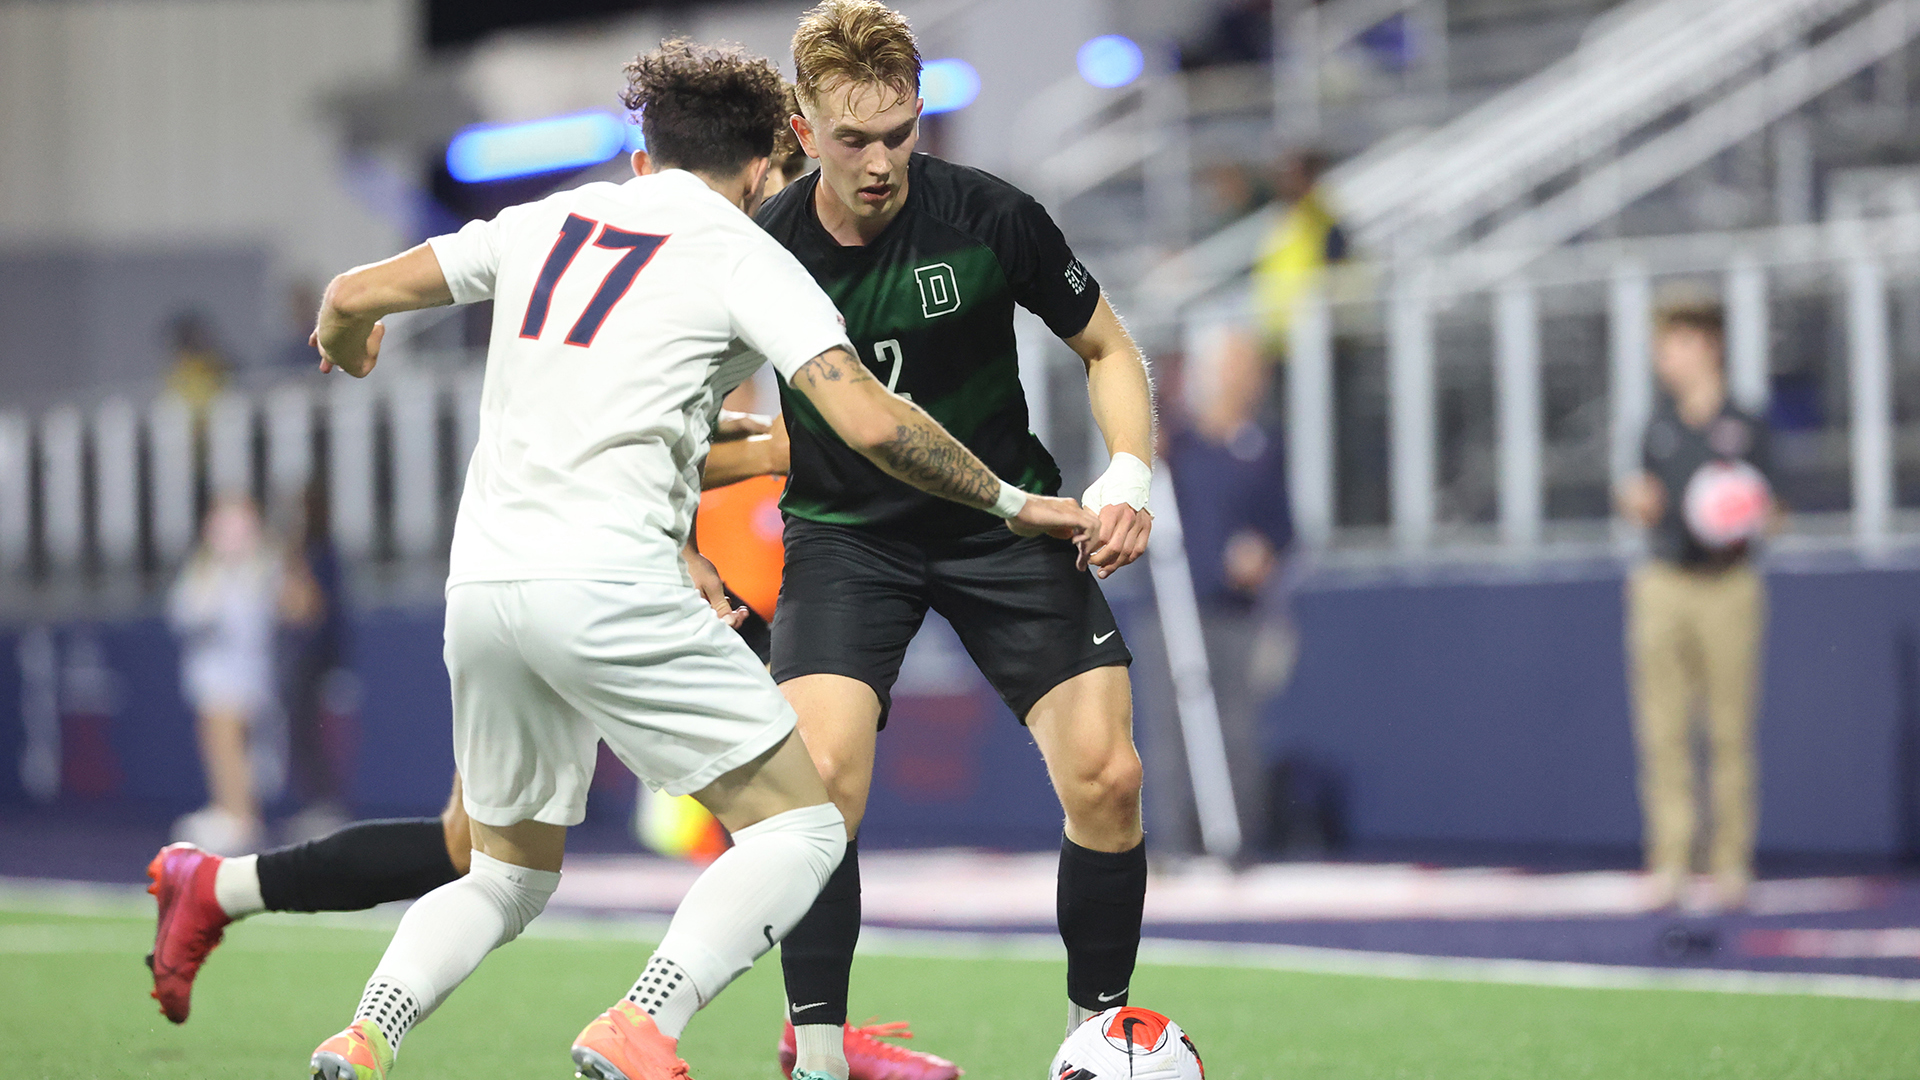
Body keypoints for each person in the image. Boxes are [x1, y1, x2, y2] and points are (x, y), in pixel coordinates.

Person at [288, 40, 1092, 1080]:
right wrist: (1010, 499)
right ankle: (645, 1020)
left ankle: (367, 1032)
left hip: (484, 588)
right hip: (611, 583)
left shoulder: (548, 222)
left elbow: (354, 292)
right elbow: (869, 421)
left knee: (506, 875)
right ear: (770, 164)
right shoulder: (748, 252)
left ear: (642, 158)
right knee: (804, 830)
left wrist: (350, 342)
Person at [755, 4, 1157, 1078]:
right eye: (853, 140)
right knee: (824, 776)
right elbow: (688, 415)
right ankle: (825, 1055)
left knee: (1109, 777)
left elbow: (1108, 349)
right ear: (801, 129)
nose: (881, 161)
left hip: (1003, 521)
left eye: (901, 133)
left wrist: (1127, 473)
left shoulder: (990, 217)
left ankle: (1098, 1041)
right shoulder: (758, 250)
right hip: (846, 536)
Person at [1615, 298, 1775, 913]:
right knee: (1663, 730)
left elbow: (1777, 505)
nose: (1663, 360)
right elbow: (1641, 492)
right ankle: (1672, 860)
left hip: (1728, 584)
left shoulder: (1747, 423)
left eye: (1673, 344)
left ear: (1707, 345)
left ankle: (1731, 862)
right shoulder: (1656, 424)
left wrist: (1745, 508)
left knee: (1730, 731)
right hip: (1664, 579)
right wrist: (1637, 502)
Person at [1159, 325, 1294, 857]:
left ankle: (1236, 841)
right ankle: (1172, 843)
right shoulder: (1180, 445)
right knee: (1172, 730)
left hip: (1236, 610)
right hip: (1174, 610)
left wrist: (1264, 554)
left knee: (1237, 727)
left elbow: (1284, 528)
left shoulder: (1262, 449)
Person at [167, 495, 295, 856]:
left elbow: (273, 615)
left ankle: (241, 818)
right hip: (210, 676)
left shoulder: (262, 568)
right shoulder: (204, 570)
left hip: (242, 676)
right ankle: (231, 812)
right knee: (218, 745)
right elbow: (184, 614)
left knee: (231, 746)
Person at [1250, 149, 1346, 360]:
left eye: (1292, 175)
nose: (1285, 182)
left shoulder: (1324, 222)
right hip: (1280, 337)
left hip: (1315, 336)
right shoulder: (1280, 221)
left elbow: (1335, 274)